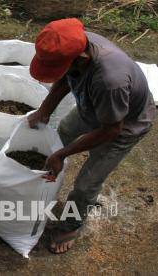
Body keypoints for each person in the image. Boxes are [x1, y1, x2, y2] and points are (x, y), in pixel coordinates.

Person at [27, 18, 156, 254]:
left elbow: (111, 130)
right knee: (64, 131)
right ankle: (44, 179)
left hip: (124, 124)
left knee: (86, 184)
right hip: (94, 106)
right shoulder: (78, 45)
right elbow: (66, 77)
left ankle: (70, 225)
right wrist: (44, 109)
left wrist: (62, 153)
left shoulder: (109, 81)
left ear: (82, 59)